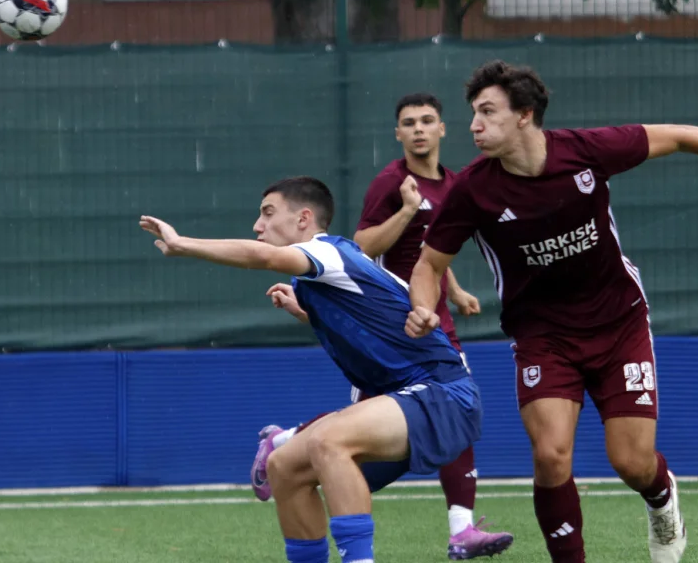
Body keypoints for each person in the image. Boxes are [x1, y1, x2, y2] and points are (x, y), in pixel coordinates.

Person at [405, 60, 698, 563]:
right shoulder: (472, 190)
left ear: (525, 115)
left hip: (619, 325)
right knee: (551, 455)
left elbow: (683, 135)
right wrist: (423, 307)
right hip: (543, 336)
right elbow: (428, 264)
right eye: (473, 113)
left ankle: (662, 501)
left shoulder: (587, 151)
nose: (474, 125)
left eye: (487, 112)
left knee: (631, 462)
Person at [140, 176, 483, 563]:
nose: (258, 226)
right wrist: (305, 310)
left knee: (328, 440)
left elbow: (264, 257)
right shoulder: (320, 275)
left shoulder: (329, 252)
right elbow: (367, 323)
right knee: (283, 467)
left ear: (304, 218)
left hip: (442, 392)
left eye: (268, 213)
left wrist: (183, 244)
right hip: (403, 398)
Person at [251, 93, 512, 560]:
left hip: (426, 319)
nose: (418, 130)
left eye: (427, 121)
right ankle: (288, 439)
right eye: (409, 122)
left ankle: (461, 528)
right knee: (335, 447)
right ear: (397, 133)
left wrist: (451, 291)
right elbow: (363, 245)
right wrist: (407, 210)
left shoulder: (452, 184)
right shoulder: (392, 182)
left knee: (445, 417)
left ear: (442, 129)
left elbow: (436, 251)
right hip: (386, 322)